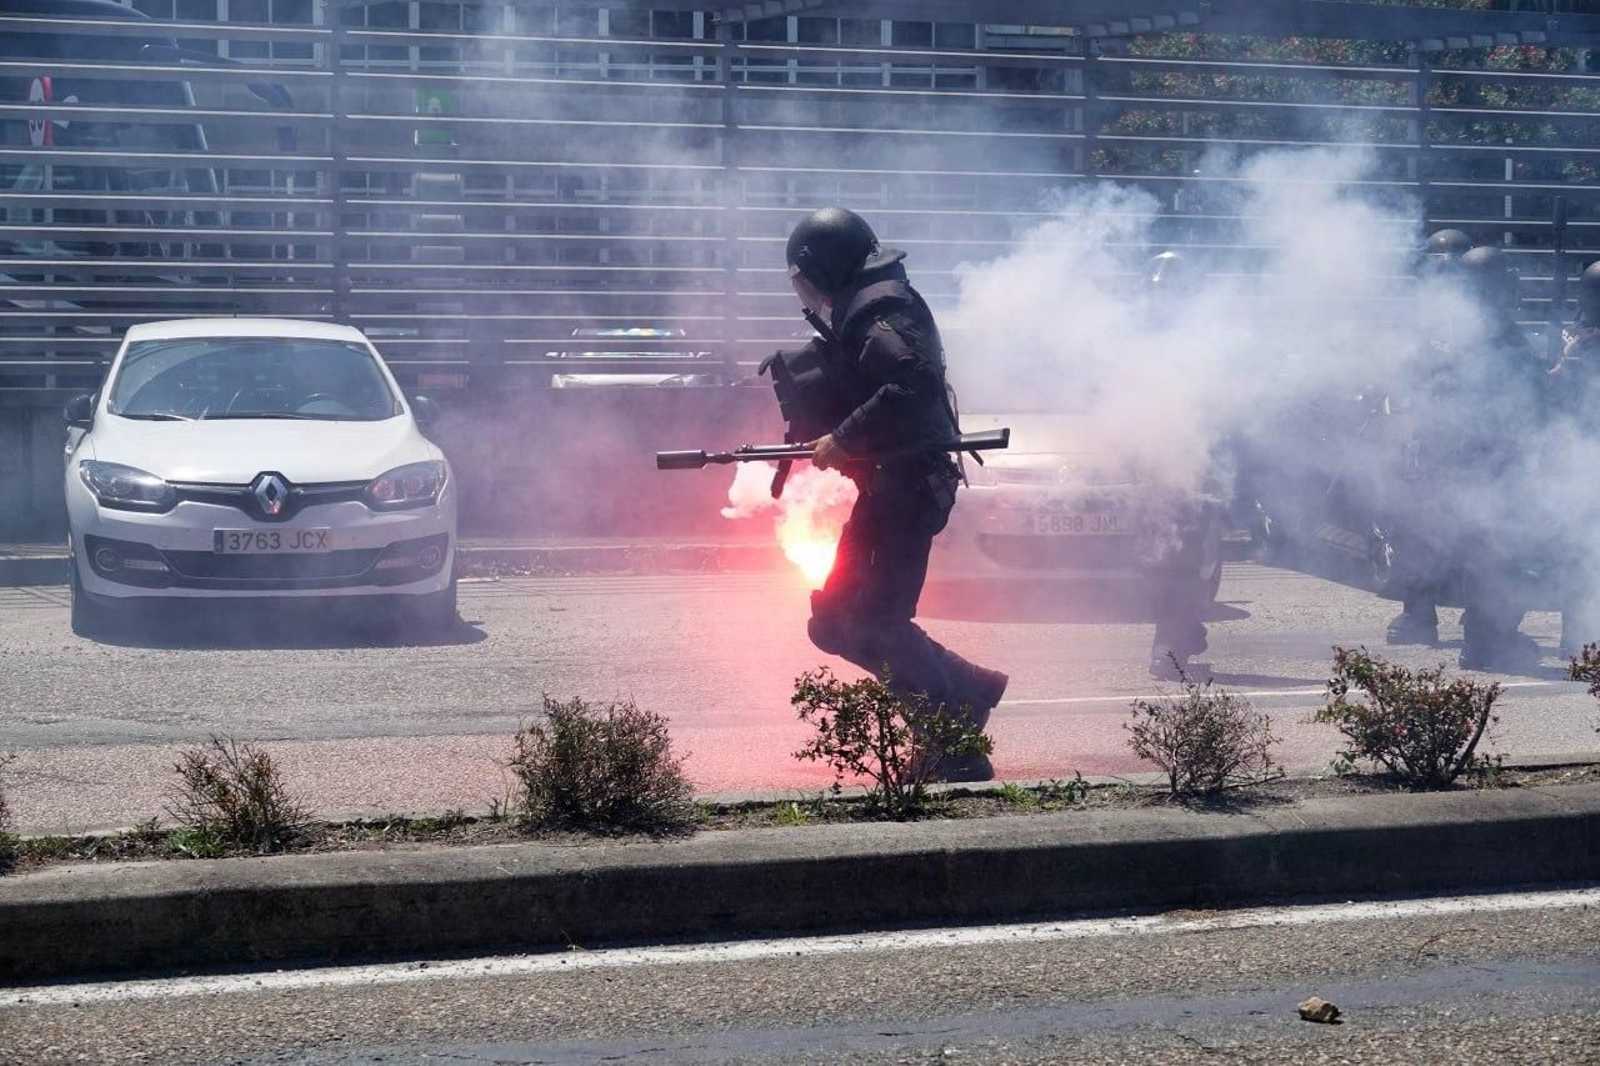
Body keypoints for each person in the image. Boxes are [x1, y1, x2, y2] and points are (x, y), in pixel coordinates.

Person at [782, 207, 1008, 782]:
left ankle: (953, 748)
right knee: (834, 620)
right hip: (889, 488)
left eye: (802, 277)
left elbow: (912, 382)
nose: (802, 292)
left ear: (822, 265)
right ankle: (968, 689)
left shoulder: (879, 309)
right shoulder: (866, 306)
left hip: (908, 488)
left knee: (876, 622)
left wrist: (846, 436)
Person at [1447, 245, 1546, 671]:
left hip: (1469, 456)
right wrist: (1559, 374)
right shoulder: (1499, 330)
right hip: (1495, 459)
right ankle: (1492, 641)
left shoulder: (1459, 327)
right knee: (1500, 550)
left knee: (1482, 549)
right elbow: (1531, 391)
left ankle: (1482, 641)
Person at [1384, 229, 1474, 647]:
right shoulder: (1425, 316)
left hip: (1465, 440)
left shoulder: (1477, 316)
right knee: (1415, 528)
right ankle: (1420, 612)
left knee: (1474, 530)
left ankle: (1482, 617)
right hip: (1432, 436)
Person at [1141, 251, 1216, 680]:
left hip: (1190, 464)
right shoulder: (1194, 336)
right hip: (1165, 465)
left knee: (1181, 560)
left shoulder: (1202, 338)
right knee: (1176, 561)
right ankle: (1171, 645)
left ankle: (1180, 635)